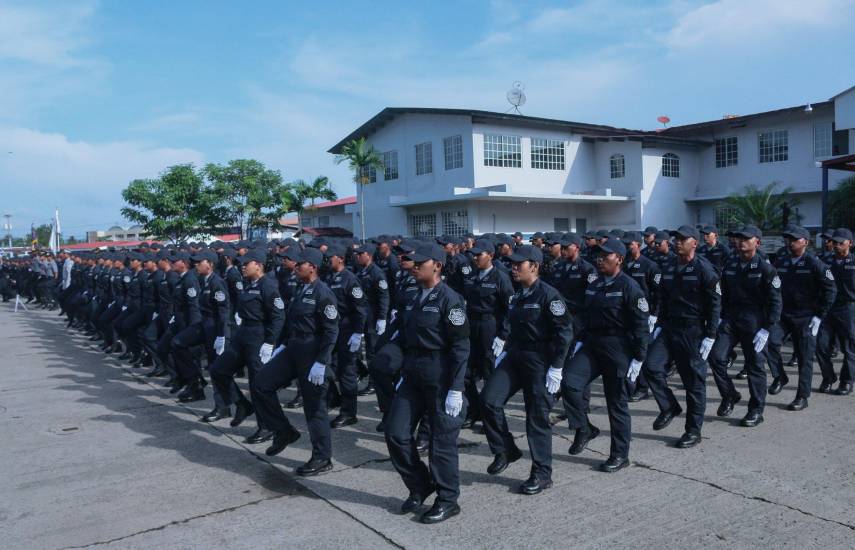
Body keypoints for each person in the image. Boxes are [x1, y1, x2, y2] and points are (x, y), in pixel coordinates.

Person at [384, 243, 469, 524]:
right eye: (413, 261)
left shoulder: (449, 299)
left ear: (438, 266)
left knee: (441, 441)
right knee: (396, 433)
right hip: (413, 372)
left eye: (421, 262)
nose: (414, 265)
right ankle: (420, 484)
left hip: (440, 373)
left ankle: (448, 499)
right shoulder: (412, 297)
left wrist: (456, 388)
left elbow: (460, 347)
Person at [481, 245, 573, 494]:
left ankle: (542, 473)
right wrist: (504, 348)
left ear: (533, 266)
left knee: (537, 417)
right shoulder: (516, 296)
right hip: (515, 356)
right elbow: (512, 326)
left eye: (518, 264)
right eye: (511, 263)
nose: (513, 268)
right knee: (488, 400)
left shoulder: (549, 296)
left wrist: (557, 367)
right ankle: (506, 449)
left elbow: (564, 333)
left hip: (540, 360)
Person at [561, 238, 648, 472]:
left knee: (616, 403)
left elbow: (640, 326)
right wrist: (579, 340)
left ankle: (620, 454)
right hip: (592, 344)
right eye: (598, 255)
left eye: (605, 255)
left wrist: (639, 358)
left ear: (619, 259)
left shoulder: (630, 288)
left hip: (618, 347)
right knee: (568, 383)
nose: (599, 259)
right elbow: (587, 315)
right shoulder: (594, 283)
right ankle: (584, 428)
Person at [251, 247, 340, 476]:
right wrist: (279, 345)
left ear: (312, 266)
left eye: (299, 264)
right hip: (293, 348)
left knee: (314, 408)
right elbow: (291, 322)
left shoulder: (323, 293)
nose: (295, 267)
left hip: (312, 353)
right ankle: (283, 430)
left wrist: (322, 362)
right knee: (261, 383)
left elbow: (331, 331)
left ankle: (322, 457)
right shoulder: (301, 289)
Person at [643, 226, 720, 447]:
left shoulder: (705, 269)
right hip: (669, 328)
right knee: (651, 367)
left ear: (694, 243)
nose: (678, 242)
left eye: (683, 239)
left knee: (693, 383)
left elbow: (715, 304)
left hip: (693, 331)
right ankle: (669, 406)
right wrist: (657, 323)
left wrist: (711, 335)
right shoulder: (667, 266)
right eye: (676, 239)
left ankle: (693, 431)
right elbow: (663, 297)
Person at [707, 225, 782, 426]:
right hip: (732, 319)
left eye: (746, 239)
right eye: (739, 238)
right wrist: (720, 317)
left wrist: (767, 328)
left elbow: (775, 301)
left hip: (756, 322)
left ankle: (756, 410)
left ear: (757, 242)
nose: (741, 242)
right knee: (715, 357)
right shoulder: (730, 264)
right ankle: (729, 394)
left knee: (755, 365)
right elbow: (723, 294)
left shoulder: (766, 268)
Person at [209, 249, 285, 441]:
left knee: (257, 383)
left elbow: (278, 317)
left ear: (258, 265)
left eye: (246, 263)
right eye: (241, 263)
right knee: (218, 369)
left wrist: (270, 342)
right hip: (243, 333)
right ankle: (242, 404)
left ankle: (267, 426)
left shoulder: (268, 285)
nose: (242, 266)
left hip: (258, 337)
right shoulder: (249, 283)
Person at [460, 238, 513, 431]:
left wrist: (503, 335)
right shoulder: (473, 277)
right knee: (465, 373)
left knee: (490, 374)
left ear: (490, 255)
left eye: (478, 255)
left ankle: (491, 416)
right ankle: (475, 410)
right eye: (473, 255)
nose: (475, 258)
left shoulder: (500, 277)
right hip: (472, 326)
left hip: (490, 327)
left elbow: (509, 309)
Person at [323, 244, 369, 428]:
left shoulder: (350, 279)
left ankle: (349, 412)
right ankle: (334, 397)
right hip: (331, 329)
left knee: (346, 372)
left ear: (340, 258)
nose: (327, 260)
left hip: (347, 330)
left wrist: (358, 333)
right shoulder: (328, 277)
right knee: (324, 365)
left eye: (330, 257)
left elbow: (360, 309)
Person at [816, 228, 855, 395]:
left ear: (850, 243)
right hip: (826, 308)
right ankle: (828, 377)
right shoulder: (824, 261)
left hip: (848, 308)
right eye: (835, 242)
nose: (837, 245)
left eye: (841, 242)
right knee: (821, 345)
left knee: (849, 347)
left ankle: (847, 381)